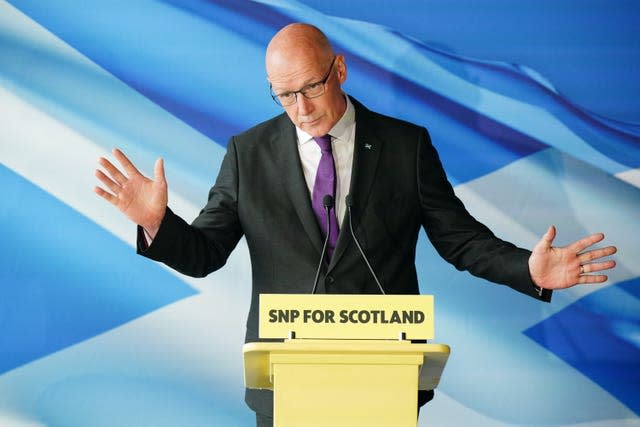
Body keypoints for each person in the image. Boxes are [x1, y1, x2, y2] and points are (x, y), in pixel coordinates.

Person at [94, 23, 617, 427]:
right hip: (286, 372)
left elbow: (460, 240)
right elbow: (206, 252)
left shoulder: (405, 146)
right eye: (283, 95)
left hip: (383, 369)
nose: (301, 109)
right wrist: (158, 223)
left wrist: (528, 268)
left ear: (339, 69)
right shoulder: (248, 154)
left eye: (311, 87)